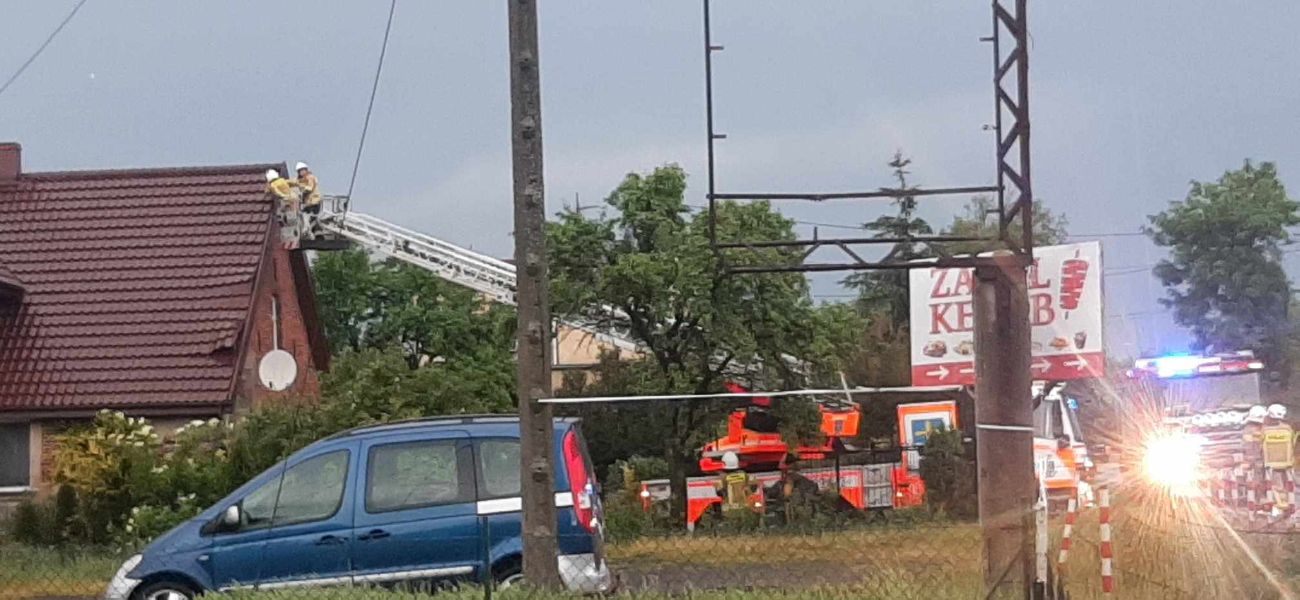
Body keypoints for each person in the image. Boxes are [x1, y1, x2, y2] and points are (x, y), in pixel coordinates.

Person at [265, 169, 301, 249]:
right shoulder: (282, 180)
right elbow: (291, 182)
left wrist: (283, 196)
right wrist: (298, 182)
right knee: (293, 216)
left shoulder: (273, 185)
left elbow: (277, 192)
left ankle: (290, 231)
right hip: (294, 198)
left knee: (286, 216)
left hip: (287, 200)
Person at [294, 162, 321, 236]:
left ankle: (306, 228)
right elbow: (295, 183)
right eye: (299, 171)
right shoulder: (302, 180)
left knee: (305, 213)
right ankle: (309, 231)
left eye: (302, 170)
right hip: (309, 202)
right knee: (307, 215)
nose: (300, 172)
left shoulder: (310, 177)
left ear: (305, 170)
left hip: (314, 201)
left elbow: (309, 188)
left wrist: (302, 193)